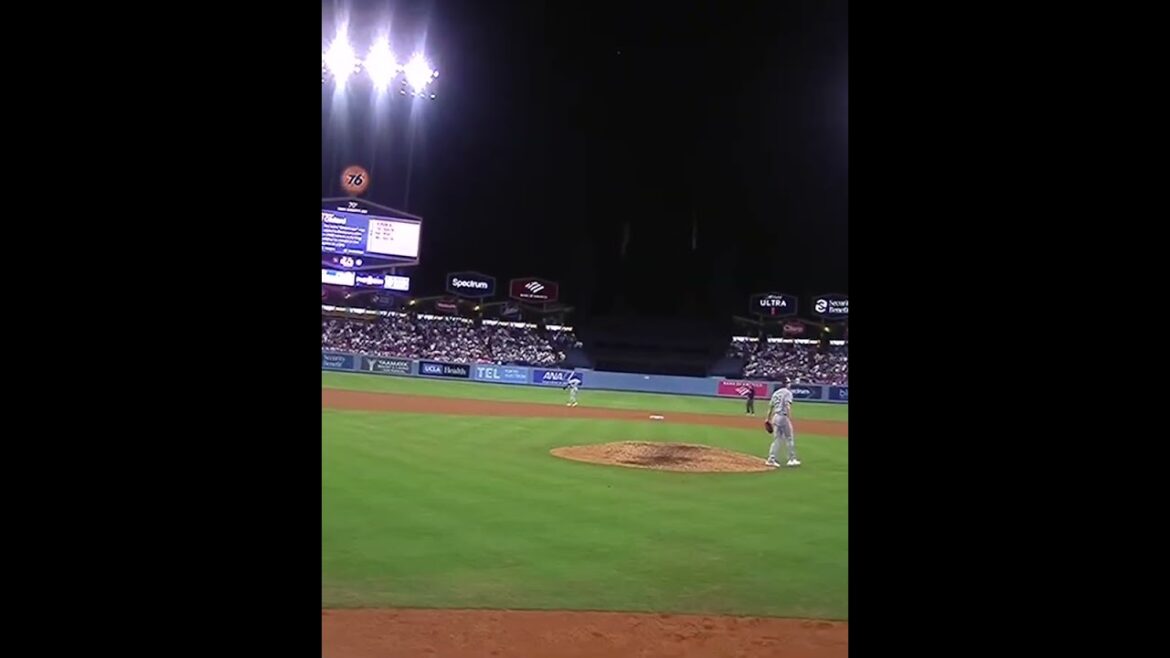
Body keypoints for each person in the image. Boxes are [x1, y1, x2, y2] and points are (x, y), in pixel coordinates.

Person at [765, 379, 801, 468]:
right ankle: (792, 459)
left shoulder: (776, 393)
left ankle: (771, 459)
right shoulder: (788, 393)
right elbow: (787, 406)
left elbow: (770, 407)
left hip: (775, 417)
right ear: (786, 384)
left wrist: (767, 419)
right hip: (783, 416)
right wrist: (789, 418)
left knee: (777, 439)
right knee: (789, 438)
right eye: (789, 382)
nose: (790, 384)